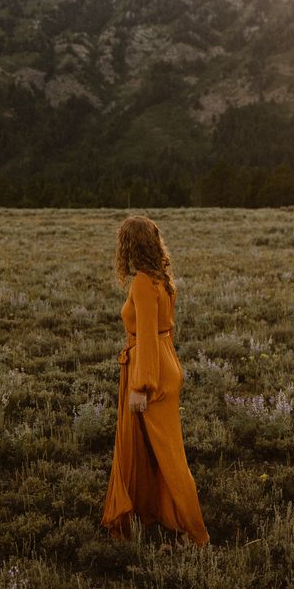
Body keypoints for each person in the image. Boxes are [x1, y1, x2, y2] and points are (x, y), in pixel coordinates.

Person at [101, 215, 210, 548]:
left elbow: (147, 334)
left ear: (128, 246)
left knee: (170, 457)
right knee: (154, 451)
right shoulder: (161, 278)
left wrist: (140, 385)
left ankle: (195, 535)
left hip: (152, 370)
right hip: (165, 362)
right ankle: (162, 520)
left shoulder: (143, 283)